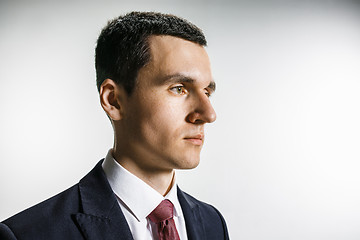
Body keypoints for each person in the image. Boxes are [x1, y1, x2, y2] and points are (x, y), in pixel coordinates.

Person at [0, 11, 229, 240]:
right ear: (114, 100)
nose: (209, 114)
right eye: (178, 88)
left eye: (207, 92)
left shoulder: (213, 223)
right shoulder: (27, 234)